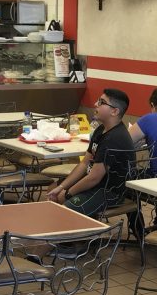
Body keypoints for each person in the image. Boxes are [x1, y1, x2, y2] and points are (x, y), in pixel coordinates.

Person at [46, 88, 135, 217]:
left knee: (65, 209)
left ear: (114, 111)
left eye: (101, 102)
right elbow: (84, 164)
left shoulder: (115, 138)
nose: (95, 104)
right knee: (52, 190)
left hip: (108, 191)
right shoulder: (101, 129)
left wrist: (68, 193)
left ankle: (76, 234)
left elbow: (94, 178)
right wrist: (61, 188)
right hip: (93, 184)